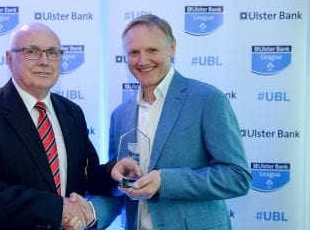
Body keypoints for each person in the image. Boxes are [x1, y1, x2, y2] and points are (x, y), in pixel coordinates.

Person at [0, 22, 118, 230]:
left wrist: (112, 173)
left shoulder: (72, 112)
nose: (44, 61)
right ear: (9, 59)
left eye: (52, 52)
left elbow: (85, 174)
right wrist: (58, 208)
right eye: (32, 52)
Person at [108, 14, 253, 229]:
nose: (143, 60)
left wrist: (166, 182)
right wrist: (87, 214)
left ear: (172, 48)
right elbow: (117, 186)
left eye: (152, 50)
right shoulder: (120, 114)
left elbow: (237, 177)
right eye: (134, 52)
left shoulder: (207, 99)